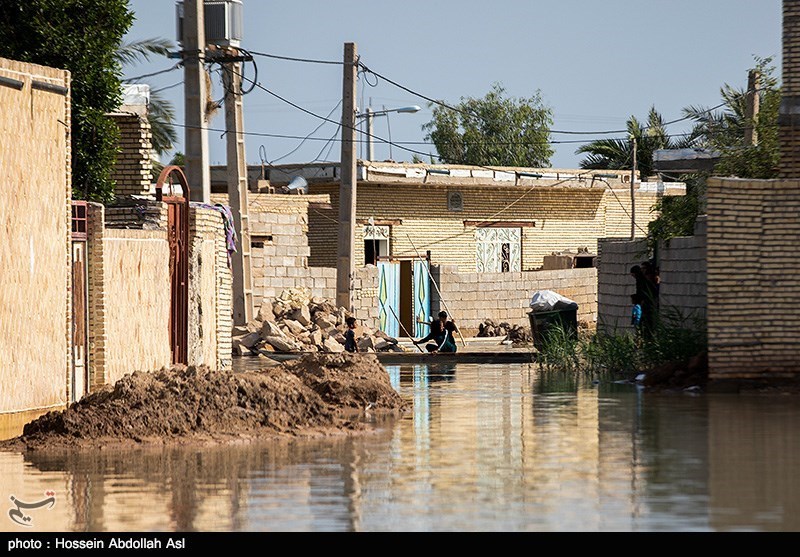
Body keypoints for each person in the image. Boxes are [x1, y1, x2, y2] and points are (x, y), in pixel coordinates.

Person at [630, 265, 657, 339]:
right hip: (646, 302)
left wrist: (639, 300)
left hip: (646, 303)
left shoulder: (641, 280)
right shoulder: (643, 279)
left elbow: (642, 292)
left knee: (645, 320)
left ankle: (646, 336)